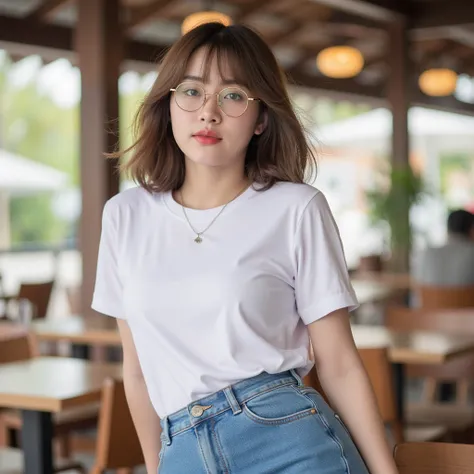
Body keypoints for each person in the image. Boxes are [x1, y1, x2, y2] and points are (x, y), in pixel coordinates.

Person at [92, 22, 398, 474]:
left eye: (233, 95)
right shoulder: (124, 216)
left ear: (261, 119)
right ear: (168, 104)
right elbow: (137, 374)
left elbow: (338, 364)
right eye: (192, 91)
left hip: (289, 439)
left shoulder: (297, 208)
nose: (208, 112)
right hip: (182, 448)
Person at [415, 209, 474, 286]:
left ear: (448, 228)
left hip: (431, 298)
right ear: (471, 229)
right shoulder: (471, 253)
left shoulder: (427, 253)